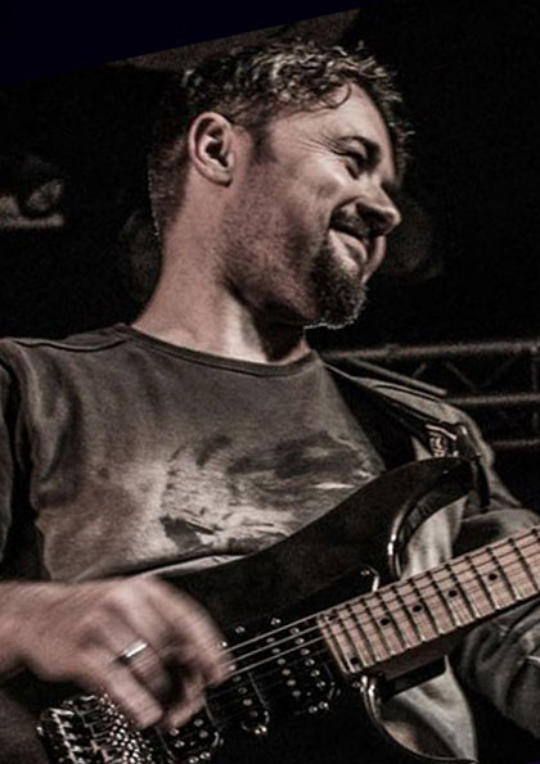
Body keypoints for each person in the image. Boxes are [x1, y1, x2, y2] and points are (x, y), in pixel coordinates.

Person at [0, 38, 538, 763]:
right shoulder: (31, 384)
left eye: (390, 184)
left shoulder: (430, 433)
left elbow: (522, 640)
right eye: (353, 159)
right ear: (217, 149)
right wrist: (24, 616)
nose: (387, 210)